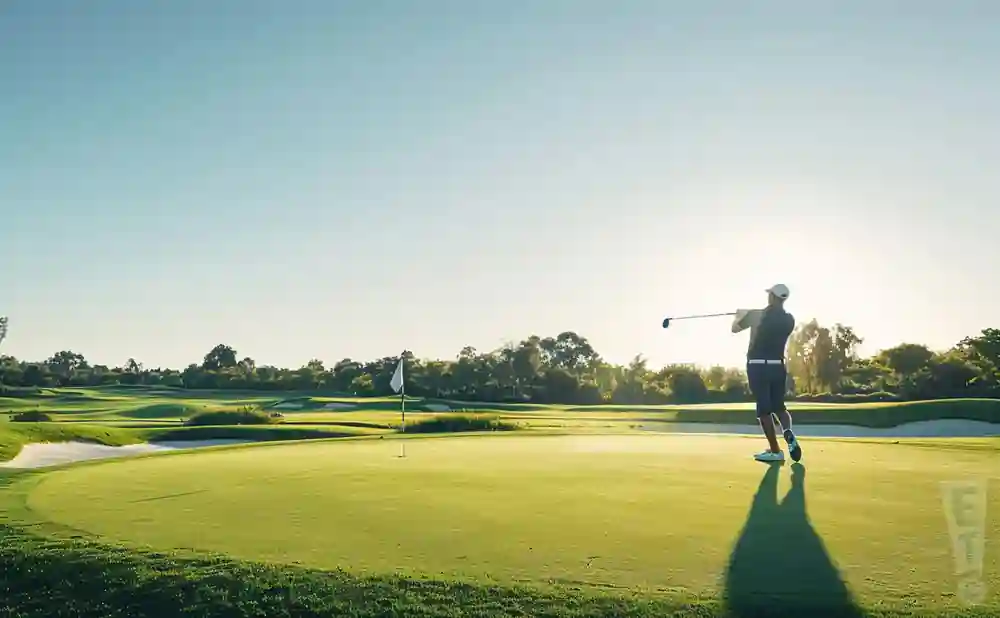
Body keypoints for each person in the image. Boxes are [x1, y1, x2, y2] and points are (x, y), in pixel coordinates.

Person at [731, 284, 801, 463]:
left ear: (771, 297)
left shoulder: (756, 315)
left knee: (764, 411)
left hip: (757, 366)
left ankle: (775, 451)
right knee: (779, 407)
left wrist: (740, 315)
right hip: (777, 366)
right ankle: (788, 432)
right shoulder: (789, 320)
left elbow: (735, 328)